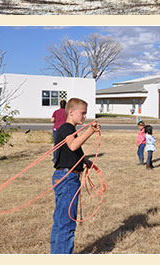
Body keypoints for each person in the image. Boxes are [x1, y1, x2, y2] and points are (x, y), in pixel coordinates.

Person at [51, 98, 100, 254]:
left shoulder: (69, 130)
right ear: (71, 112)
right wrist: (90, 131)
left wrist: (86, 161)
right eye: (82, 113)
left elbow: (73, 149)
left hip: (65, 177)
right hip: (67, 179)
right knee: (66, 223)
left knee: (60, 221)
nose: (84, 116)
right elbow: (73, 145)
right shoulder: (66, 128)